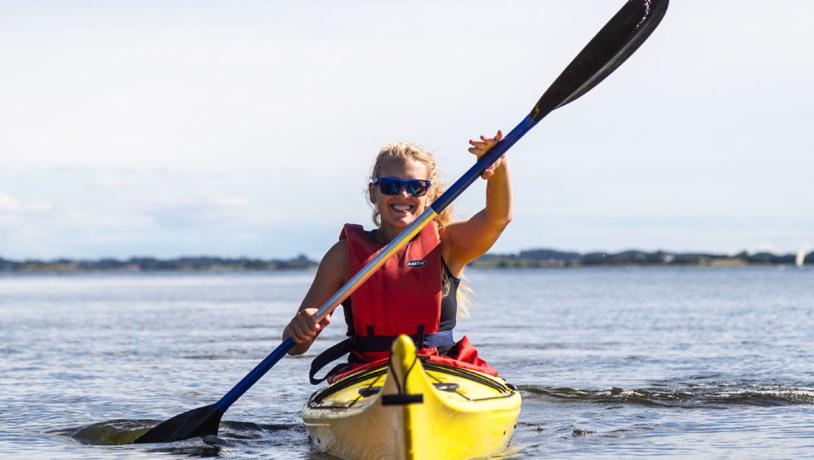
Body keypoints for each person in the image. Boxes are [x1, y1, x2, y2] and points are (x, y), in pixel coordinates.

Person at [282, 130, 510, 383]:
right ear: (373, 193)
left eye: (415, 187)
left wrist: (498, 169)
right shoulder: (343, 256)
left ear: (430, 195)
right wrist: (301, 326)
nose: (403, 194)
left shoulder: (448, 244)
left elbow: (498, 218)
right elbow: (295, 347)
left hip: (441, 370)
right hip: (368, 374)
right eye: (391, 186)